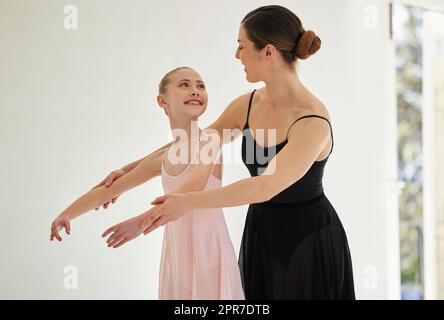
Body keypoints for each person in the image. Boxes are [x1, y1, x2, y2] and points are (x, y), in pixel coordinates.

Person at [98, 5, 355, 300]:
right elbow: (196, 142)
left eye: (241, 46)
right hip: (261, 232)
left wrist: (189, 201)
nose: (237, 55)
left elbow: (265, 185)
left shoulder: (312, 121)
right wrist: (132, 168)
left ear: (268, 52)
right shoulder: (246, 105)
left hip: (308, 241)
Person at [50, 67, 245, 300]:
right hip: (176, 256)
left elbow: (192, 187)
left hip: (209, 253)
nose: (195, 91)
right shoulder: (164, 156)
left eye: (200, 86)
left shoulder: (210, 140)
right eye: (184, 85)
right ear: (162, 101)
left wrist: (141, 223)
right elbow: (109, 190)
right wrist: (67, 214)